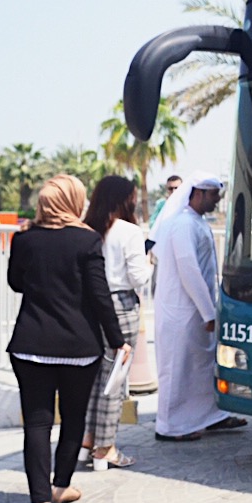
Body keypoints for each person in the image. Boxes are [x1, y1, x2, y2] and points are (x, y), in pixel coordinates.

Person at [6, 175, 129, 503]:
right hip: (78, 348)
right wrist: (118, 338)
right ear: (74, 201)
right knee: (74, 418)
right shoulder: (87, 240)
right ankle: (61, 485)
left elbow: (16, 283)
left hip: (30, 346)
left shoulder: (24, 238)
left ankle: (39, 500)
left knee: (37, 422)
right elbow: (99, 296)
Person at [151, 173, 247, 441]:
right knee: (177, 369)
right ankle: (169, 427)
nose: (217, 201)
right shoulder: (183, 224)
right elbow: (189, 270)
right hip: (182, 312)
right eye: (214, 195)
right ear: (198, 193)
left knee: (201, 367)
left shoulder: (196, 223)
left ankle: (210, 416)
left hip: (195, 312)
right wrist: (208, 312)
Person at [81, 175, 151, 471]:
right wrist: (150, 261)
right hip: (120, 306)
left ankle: (86, 440)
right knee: (114, 380)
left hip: (88, 307)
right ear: (125, 199)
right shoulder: (129, 232)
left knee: (92, 378)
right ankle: (105, 448)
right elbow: (138, 278)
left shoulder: (86, 228)